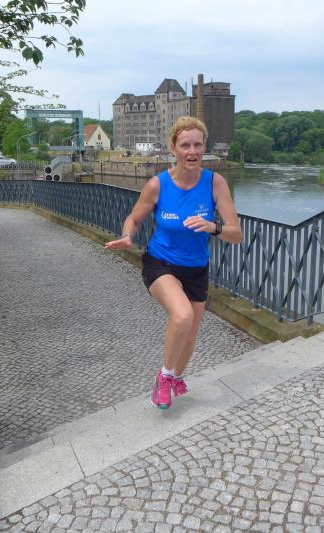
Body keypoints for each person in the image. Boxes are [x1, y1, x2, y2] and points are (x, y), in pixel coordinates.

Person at [104, 116, 242, 410]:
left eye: (197, 145)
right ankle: (164, 378)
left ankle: (176, 377)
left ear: (204, 147)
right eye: (185, 145)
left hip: (196, 269)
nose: (192, 151)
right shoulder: (158, 185)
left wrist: (213, 227)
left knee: (189, 336)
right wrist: (127, 236)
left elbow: (236, 234)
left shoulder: (215, 183)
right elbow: (134, 218)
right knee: (182, 316)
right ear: (173, 148)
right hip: (160, 263)